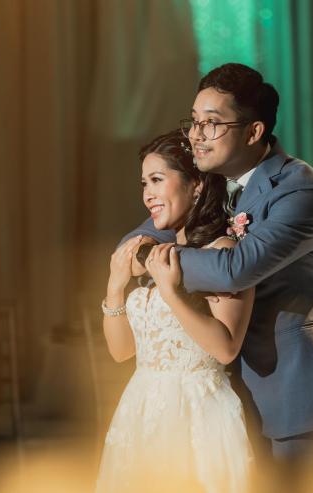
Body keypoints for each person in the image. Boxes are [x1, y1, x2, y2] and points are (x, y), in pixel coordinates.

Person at [122, 63, 313, 489]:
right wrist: (144, 253)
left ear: (253, 132)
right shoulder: (209, 185)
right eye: (194, 121)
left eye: (211, 124)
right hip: (222, 401)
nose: (196, 136)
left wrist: (155, 261)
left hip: (288, 397)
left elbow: (235, 270)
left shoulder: (301, 191)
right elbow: (134, 242)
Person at [97, 130, 254, 493]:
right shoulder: (155, 253)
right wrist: (114, 288)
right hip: (140, 411)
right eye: (144, 184)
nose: (147, 194)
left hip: (197, 414)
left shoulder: (223, 252)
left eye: (157, 180)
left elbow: (226, 348)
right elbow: (121, 352)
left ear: (196, 185)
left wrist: (170, 293)